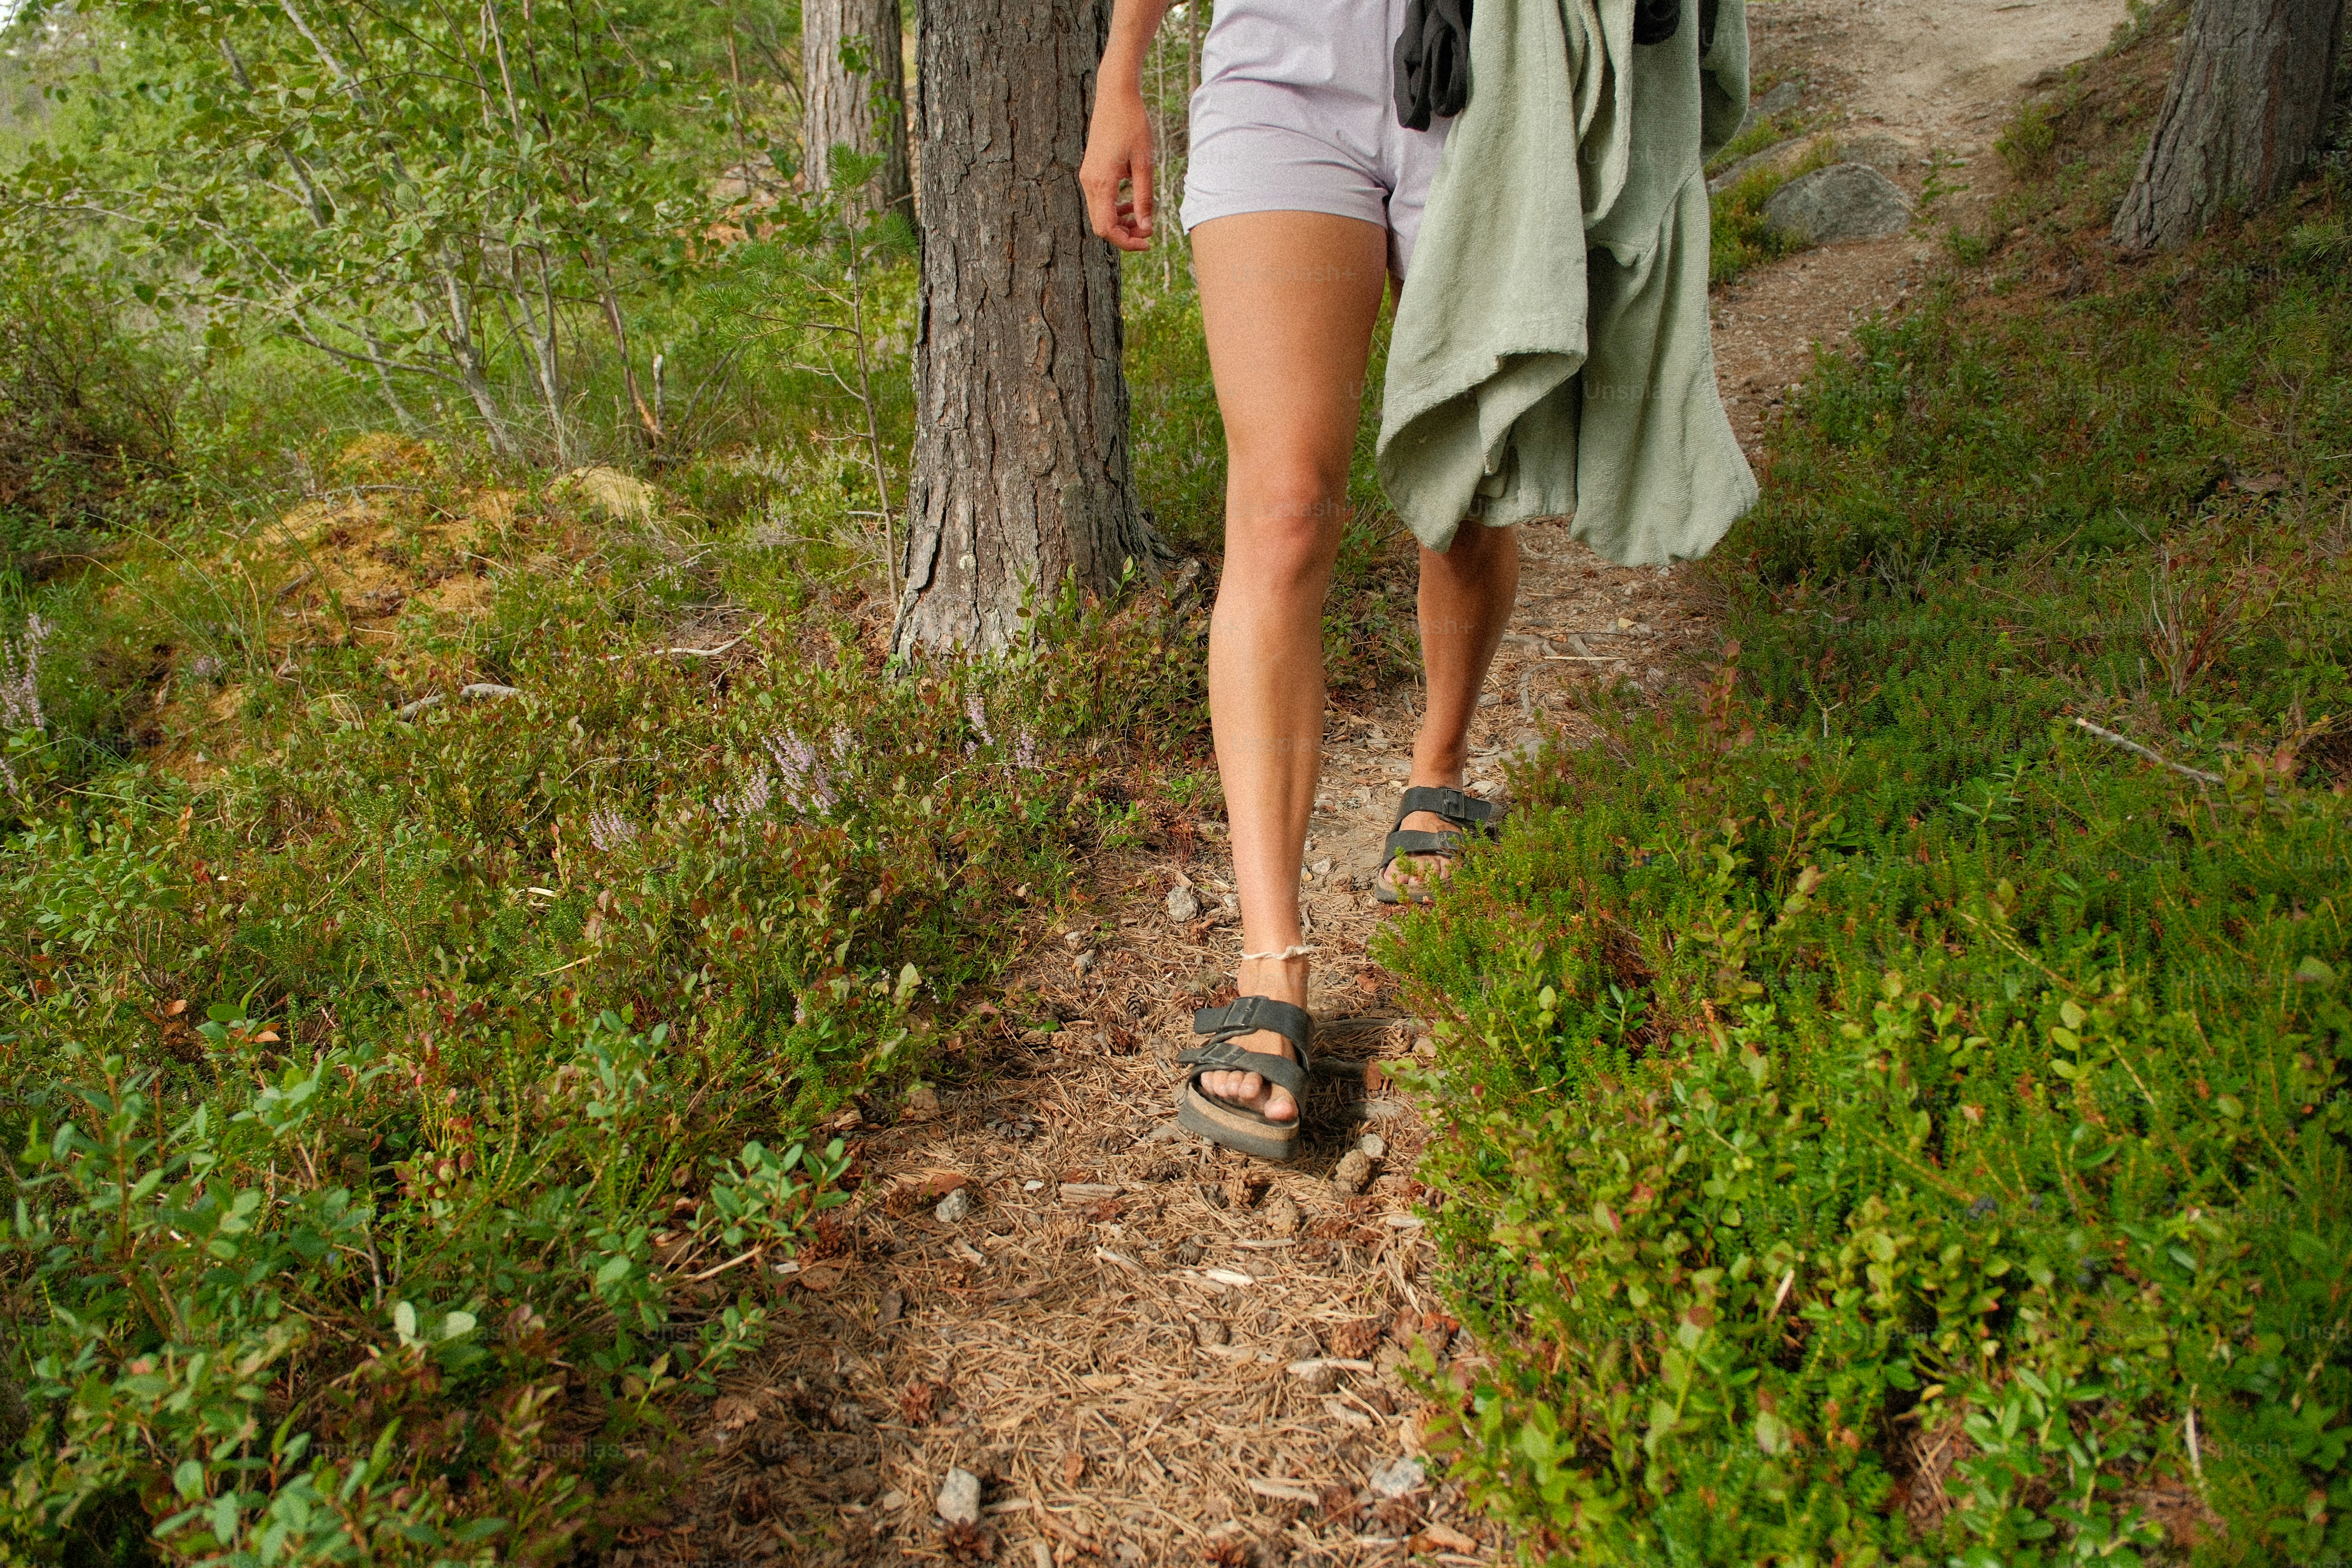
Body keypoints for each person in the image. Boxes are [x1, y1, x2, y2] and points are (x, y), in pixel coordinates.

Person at [1080, 0, 1516, 1159]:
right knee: (1280, 509)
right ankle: (1270, 963)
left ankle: (1437, 775)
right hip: (1282, 77)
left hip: (1493, 76)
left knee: (1464, 485)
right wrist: (1123, 66)